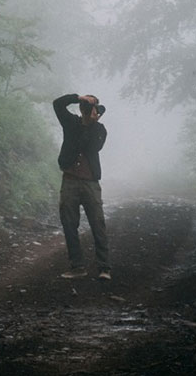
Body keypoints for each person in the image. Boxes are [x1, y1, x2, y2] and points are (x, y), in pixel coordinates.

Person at [52, 93, 111, 280]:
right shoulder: (71, 122)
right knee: (69, 224)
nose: (88, 109)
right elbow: (58, 104)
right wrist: (78, 97)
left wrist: (90, 122)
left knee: (98, 223)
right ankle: (77, 266)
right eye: (86, 106)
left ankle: (104, 267)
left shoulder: (100, 130)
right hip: (69, 179)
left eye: (92, 106)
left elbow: (92, 147)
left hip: (90, 182)